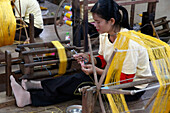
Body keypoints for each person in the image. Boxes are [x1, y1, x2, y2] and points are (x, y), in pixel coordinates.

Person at [10, 0, 152, 107]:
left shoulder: (130, 43)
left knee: (81, 84)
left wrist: (95, 70)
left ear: (112, 21)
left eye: (98, 22)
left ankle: (33, 92)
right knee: (77, 83)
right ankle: (31, 93)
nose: (94, 26)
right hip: (114, 77)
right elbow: (103, 59)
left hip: (131, 89)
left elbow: (126, 79)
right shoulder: (105, 35)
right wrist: (89, 58)